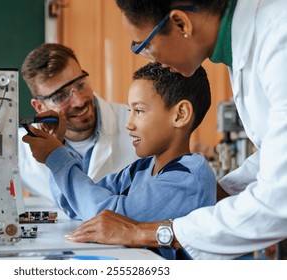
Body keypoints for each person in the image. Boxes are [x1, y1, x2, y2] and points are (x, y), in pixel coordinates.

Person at [65, 0, 287, 260]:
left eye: (144, 45)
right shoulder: (240, 46)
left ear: (181, 23)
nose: (149, 58)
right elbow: (274, 153)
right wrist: (224, 190)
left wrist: (147, 232)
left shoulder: (278, 39)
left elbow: (278, 201)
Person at [23, 62, 216, 259]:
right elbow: (77, 205)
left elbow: (107, 217)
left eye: (138, 111)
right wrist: (58, 145)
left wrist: (57, 158)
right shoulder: (140, 169)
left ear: (180, 114)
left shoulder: (187, 177)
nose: (128, 123)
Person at [18, 43, 138, 202]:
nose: (79, 102)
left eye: (80, 85)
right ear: (40, 106)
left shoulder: (136, 125)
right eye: (60, 96)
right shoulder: (20, 149)